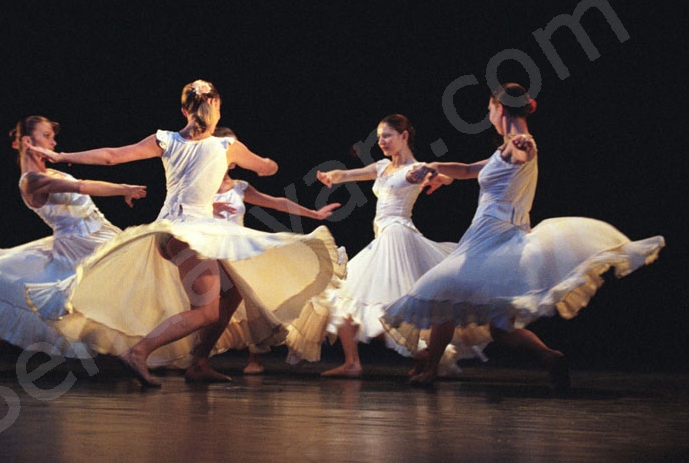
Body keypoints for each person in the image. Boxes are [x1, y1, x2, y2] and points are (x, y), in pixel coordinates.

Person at [27, 80, 344, 386]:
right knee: (206, 312)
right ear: (216, 105)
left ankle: (199, 363)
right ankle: (139, 352)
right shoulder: (225, 146)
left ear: (184, 111)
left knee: (231, 294)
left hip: (169, 233)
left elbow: (111, 156)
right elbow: (265, 168)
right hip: (192, 234)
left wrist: (63, 156)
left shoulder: (166, 139)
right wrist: (268, 163)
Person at [381, 83, 665, 390]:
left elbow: (522, 153)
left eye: (490, 110)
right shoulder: (502, 149)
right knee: (498, 325)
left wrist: (521, 147)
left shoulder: (520, 144)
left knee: (440, 291)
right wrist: (433, 167)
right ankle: (549, 357)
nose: (489, 115)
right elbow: (466, 170)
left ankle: (430, 369)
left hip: (494, 240)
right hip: (486, 239)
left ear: (500, 108)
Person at [0, 115, 147, 361]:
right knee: (106, 294)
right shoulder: (32, 180)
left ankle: (139, 352)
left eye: (53, 137)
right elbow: (81, 186)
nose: (53, 142)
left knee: (130, 284)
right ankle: (135, 355)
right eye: (47, 135)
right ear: (28, 140)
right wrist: (123, 188)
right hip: (80, 245)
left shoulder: (49, 171)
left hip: (100, 233)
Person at [284, 114, 474, 379]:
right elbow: (349, 173)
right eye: (380, 137)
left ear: (404, 136)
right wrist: (332, 177)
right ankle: (359, 362)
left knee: (382, 298)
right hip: (383, 234)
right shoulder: (383, 167)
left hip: (397, 235)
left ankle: (423, 355)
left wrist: (442, 178)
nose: (382, 141)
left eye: (387, 136)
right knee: (345, 294)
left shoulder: (415, 168)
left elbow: (444, 175)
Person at [211, 126, 342, 374]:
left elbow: (276, 203)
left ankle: (255, 356)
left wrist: (312, 213)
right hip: (207, 249)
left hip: (238, 250)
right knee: (205, 304)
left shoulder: (239, 187)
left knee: (254, 298)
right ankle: (192, 356)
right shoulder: (198, 186)